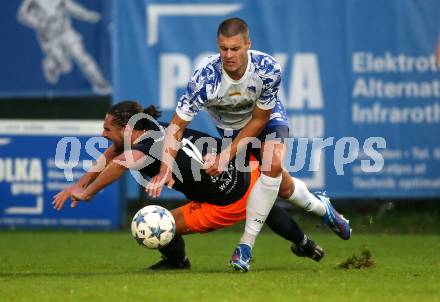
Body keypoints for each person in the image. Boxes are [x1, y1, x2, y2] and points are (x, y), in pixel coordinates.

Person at [147, 17, 350, 272]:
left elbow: (259, 120)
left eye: (235, 48)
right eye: (223, 49)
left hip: (263, 118)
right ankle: (323, 208)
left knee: (272, 162)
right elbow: (176, 127)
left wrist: (226, 156)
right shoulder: (205, 78)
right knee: (283, 188)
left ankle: (245, 246)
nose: (228, 55)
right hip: (231, 129)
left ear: (248, 45)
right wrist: (165, 168)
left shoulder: (267, 68)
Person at [52, 100, 324, 270]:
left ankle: (177, 262)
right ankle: (307, 243)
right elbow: (112, 153)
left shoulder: (147, 144)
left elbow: (121, 162)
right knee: (264, 205)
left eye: (107, 129)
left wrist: (87, 193)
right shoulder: (151, 127)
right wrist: (78, 184)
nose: (103, 133)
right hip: (241, 171)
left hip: (220, 202)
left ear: (127, 130)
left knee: (161, 224)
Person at [17, 0, 111, 94]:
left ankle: (100, 83)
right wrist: (39, 23)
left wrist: (88, 15)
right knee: (66, 66)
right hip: (50, 39)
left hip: (66, 32)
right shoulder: (31, 1)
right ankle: (52, 65)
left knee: (81, 56)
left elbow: (73, 8)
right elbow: (22, 15)